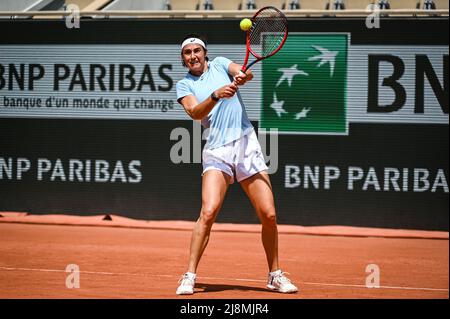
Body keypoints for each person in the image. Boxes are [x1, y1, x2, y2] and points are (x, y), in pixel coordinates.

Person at [175, 34, 298, 295]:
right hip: (217, 150)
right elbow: (195, 113)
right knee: (208, 212)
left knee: (269, 214)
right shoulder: (184, 85)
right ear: (183, 59)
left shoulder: (220, 63)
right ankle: (189, 276)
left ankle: (275, 275)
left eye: (197, 50)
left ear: (205, 53)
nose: (193, 56)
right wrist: (216, 95)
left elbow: (243, 73)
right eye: (188, 53)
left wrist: (243, 77)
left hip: (246, 144)